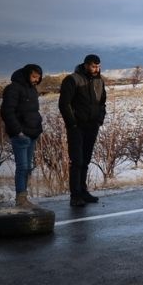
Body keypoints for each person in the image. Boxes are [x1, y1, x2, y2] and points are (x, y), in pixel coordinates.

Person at [59, 54, 107, 206]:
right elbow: (64, 104)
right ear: (85, 65)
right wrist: (72, 123)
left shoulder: (100, 81)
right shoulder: (72, 79)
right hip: (77, 127)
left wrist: (99, 120)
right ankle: (75, 195)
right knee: (77, 161)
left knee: (85, 160)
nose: (96, 69)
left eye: (98, 66)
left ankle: (83, 191)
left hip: (92, 126)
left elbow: (102, 103)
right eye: (93, 66)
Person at [0, 64, 43, 208]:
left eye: (38, 77)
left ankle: (24, 198)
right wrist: (18, 131)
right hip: (21, 136)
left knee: (28, 167)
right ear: (26, 75)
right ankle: (21, 199)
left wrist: (38, 128)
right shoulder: (13, 88)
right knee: (22, 167)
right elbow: (7, 112)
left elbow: (33, 111)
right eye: (33, 76)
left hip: (32, 134)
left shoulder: (32, 89)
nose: (36, 80)